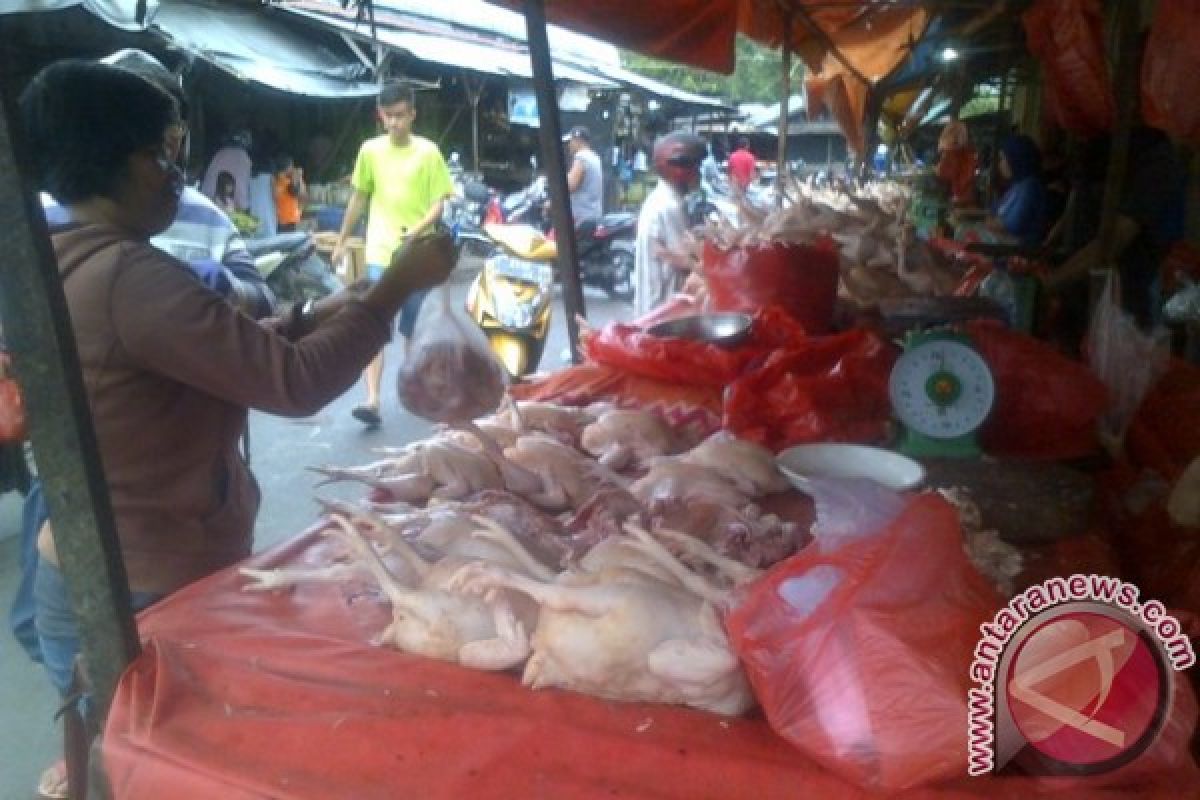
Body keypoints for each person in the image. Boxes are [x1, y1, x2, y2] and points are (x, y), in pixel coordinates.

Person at [18, 54, 454, 755]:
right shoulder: (128, 277)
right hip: (139, 586)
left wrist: (322, 309)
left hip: (98, 570)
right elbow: (293, 382)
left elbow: (224, 350)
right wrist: (391, 289)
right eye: (164, 155)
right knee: (158, 765)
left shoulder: (70, 257)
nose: (173, 174)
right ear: (126, 162)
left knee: (113, 756)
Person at [331, 83, 454, 430]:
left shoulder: (429, 153)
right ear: (381, 116)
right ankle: (372, 399)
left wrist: (417, 230)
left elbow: (438, 203)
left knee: (412, 329)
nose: (395, 123)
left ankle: (418, 389)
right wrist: (342, 240)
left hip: (417, 253)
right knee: (374, 322)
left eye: (401, 115)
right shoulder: (370, 151)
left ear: (413, 114)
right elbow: (358, 198)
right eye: (389, 116)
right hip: (381, 249)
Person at [634, 132, 705, 318]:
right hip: (663, 308)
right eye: (695, 166)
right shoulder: (670, 206)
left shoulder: (660, 199)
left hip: (655, 305)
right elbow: (683, 257)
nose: (698, 173)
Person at [987, 134, 1048, 248]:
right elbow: (994, 210)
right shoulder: (1017, 185)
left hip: (1017, 253)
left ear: (1015, 159)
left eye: (1002, 159)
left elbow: (1012, 225)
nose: (1000, 164)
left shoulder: (1030, 187)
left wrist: (990, 223)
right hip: (1004, 244)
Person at [201, 129, 253, 211]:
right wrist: (244, 205)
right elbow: (243, 185)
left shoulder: (219, 154)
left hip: (208, 199)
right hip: (233, 202)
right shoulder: (245, 158)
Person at [563, 125, 603, 225]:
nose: (569, 145)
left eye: (570, 141)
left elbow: (570, 186)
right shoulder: (595, 157)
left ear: (578, 140)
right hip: (593, 214)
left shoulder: (581, 157)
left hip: (581, 218)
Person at [273, 154, 307, 233]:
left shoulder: (274, 182)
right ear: (289, 167)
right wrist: (299, 177)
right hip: (290, 220)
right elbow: (303, 196)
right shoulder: (288, 183)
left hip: (278, 219)